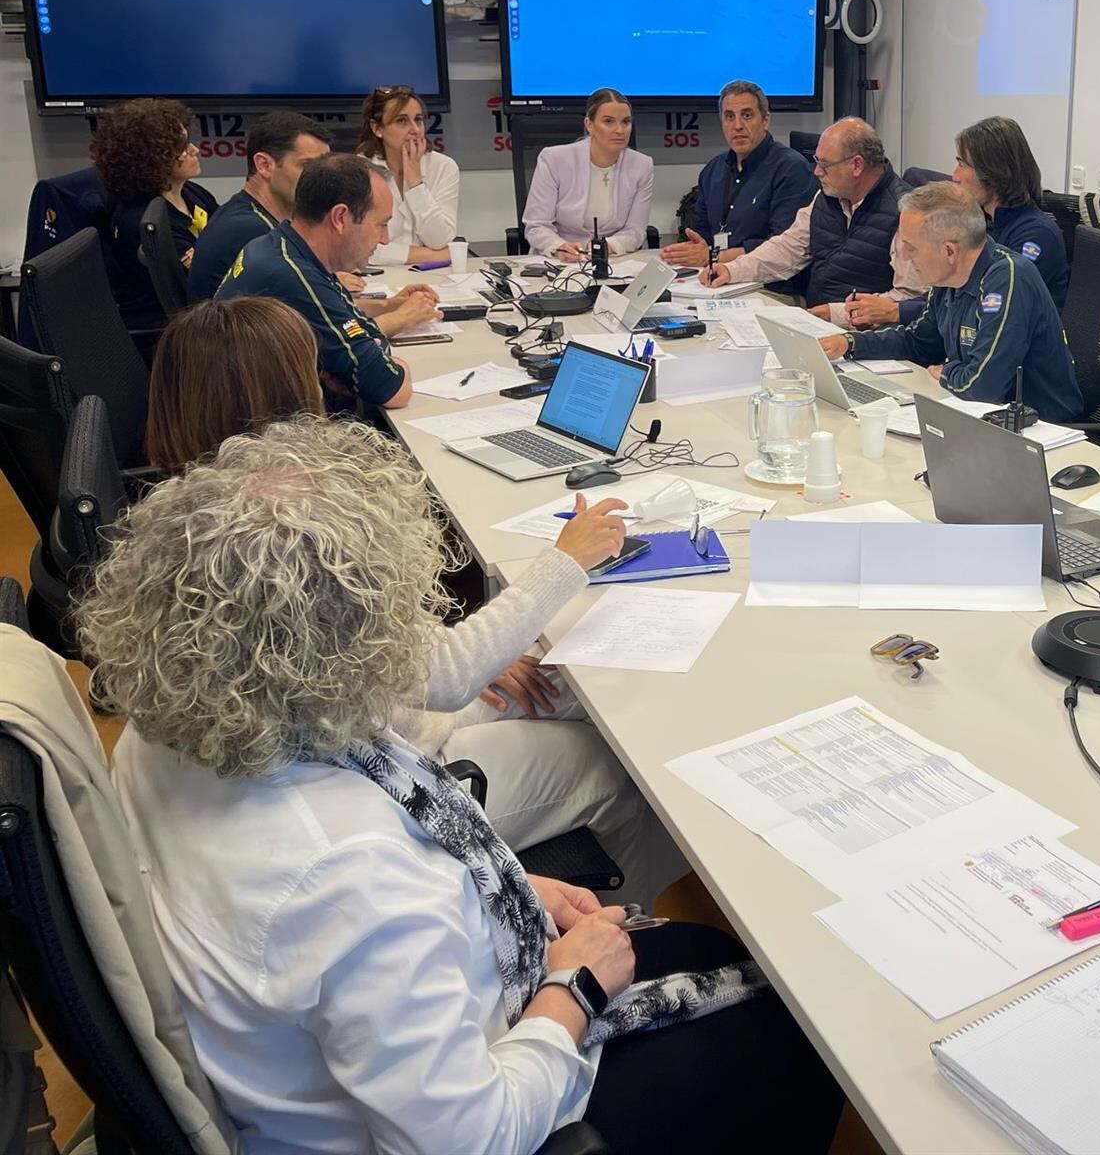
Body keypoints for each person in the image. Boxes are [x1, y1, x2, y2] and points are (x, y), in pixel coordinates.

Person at [81, 419, 843, 1152]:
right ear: (355, 637)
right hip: (481, 1101)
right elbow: (471, 1138)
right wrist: (572, 990)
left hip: (343, 1049)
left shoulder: (171, 727)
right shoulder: (349, 877)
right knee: (806, 1036)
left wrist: (499, 883)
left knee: (702, 946)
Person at [142, 296, 685, 899]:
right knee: (618, 759)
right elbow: (443, 676)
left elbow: (409, 662)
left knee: (577, 683)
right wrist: (567, 562)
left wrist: (472, 659)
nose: (325, 386)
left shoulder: (179, 524)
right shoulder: (294, 527)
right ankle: (619, 925)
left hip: (359, 733)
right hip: (391, 772)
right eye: (311, 371)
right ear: (284, 395)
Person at [820, 182, 1082, 422]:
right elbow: (918, 342)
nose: (906, 257)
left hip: (1043, 429)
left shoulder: (1008, 278)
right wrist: (850, 343)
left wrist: (947, 372)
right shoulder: (947, 279)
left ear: (949, 251)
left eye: (912, 248)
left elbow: (982, 387)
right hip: (981, 418)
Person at [217, 154, 440, 410]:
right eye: (381, 225)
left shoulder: (284, 247)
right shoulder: (292, 275)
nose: (384, 239)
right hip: (260, 436)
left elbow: (365, 329)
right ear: (340, 218)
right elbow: (391, 389)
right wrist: (399, 365)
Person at [696, 118, 925, 326]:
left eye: (824, 165)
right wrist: (731, 270)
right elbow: (788, 248)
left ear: (856, 165)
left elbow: (907, 299)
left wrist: (836, 313)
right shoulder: (828, 197)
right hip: (816, 320)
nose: (816, 172)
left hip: (866, 336)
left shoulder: (904, 213)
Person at [850, 115, 1066, 329]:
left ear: (993, 172)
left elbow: (980, 305)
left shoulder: (1036, 235)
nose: (955, 176)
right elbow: (947, 294)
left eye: (962, 165)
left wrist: (895, 311)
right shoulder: (984, 222)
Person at [92, 98, 218, 345]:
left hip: (201, 315)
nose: (195, 150)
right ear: (151, 156)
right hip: (173, 335)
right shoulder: (143, 221)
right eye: (182, 147)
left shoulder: (194, 194)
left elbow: (222, 243)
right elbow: (202, 279)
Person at [661, 80, 814, 271]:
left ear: (765, 120)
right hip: (715, 274)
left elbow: (784, 248)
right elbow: (701, 236)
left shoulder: (791, 169)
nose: (738, 125)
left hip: (769, 282)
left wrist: (714, 257)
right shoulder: (713, 170)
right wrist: (692, 252)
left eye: (747, 115)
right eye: (729, 116)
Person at [187, 109, 334, 302]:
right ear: (264, 165)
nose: (322, 179)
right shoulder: (252, 231)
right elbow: (319, 311)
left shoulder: (247, 214)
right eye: (307, 166)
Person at [522, 88, 655, 262]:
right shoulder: (554, 159)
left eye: (626, 122)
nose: (620, 130)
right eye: (608, 121)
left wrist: (609, 246)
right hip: (560, 260)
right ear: (589, 125)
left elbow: (636, 230)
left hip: (616, 260)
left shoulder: (642, 165)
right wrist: (557, 246)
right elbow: (536, 225)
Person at [358, 83, 461, 265]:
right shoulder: (359, 171)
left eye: (418, 119)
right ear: (377, 129)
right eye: (402, 121)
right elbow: (363, 249)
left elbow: (440, 239)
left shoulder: (443, 167)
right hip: (378, 280)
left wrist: (415, 182)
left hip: (433, 276)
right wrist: (435, 255)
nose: (415, 129)